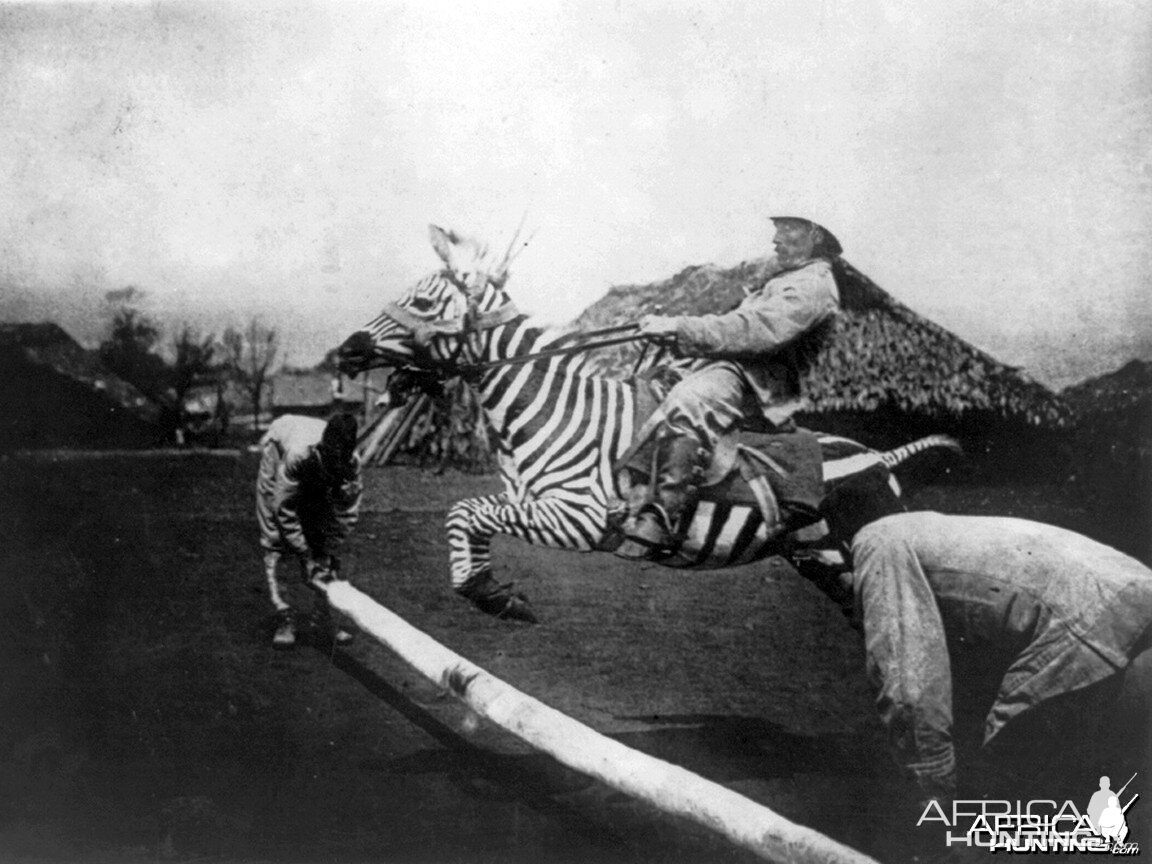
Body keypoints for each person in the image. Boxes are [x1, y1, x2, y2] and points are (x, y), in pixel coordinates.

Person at [841, 511, 1152, 814]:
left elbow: (908, 682)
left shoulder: (877, 542)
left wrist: (933, 793)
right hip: (1132, 590)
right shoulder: (932, 529)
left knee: (994, 801)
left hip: (1088, 621)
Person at [625, 216, 842, 550]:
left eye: (786, 231)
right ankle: (632, 486)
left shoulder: (813, 285)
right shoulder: (789, 279)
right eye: (776, 231)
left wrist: (679, 326)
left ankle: (661, 514)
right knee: (645, 388)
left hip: (756, 382)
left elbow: (753, 330)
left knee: (690, 398)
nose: (775, 240)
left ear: (814, 234)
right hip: (731, 368)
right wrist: (674, 337)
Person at [256, 412, 363, 648]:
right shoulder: (297, 454)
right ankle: (286, 617)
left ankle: (324, 617)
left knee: (326, 544)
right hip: (279, 452)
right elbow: (283, 509)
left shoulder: (352, 463)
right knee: (275, 539)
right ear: (322, 450)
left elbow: (345, 514)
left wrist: (327, 551)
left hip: (311, 460)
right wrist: (304, 553)